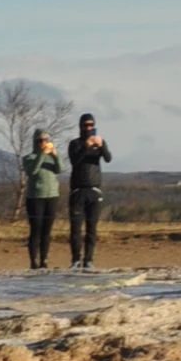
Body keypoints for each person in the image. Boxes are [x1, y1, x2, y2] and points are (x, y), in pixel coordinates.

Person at [65, 114, 110, 268]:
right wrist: (86, 145)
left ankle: (89, 259)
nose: (88, 128)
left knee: (92, 228)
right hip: (78, 190)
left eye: (91, 125)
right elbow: (74, 161)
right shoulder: (75, 144)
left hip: (94, 190)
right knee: (76, 228)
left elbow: (108, 158)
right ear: (81, 126)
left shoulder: (99, 142)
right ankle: (76, 259)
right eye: (86, 125)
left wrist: (101, 145)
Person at [20, 127, 61, 270]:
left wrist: (56, 156)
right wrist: (42, 155)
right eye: (40, 141)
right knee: (36, 230)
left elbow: (59, 169)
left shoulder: (51, 157)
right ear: (35, 142)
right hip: (35, 197)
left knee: (46, 231)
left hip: (52, 196)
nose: (43, 143)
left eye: (46, 140)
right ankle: (34, 261)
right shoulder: (29, 158)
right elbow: (33, 171)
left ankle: (44, 260)